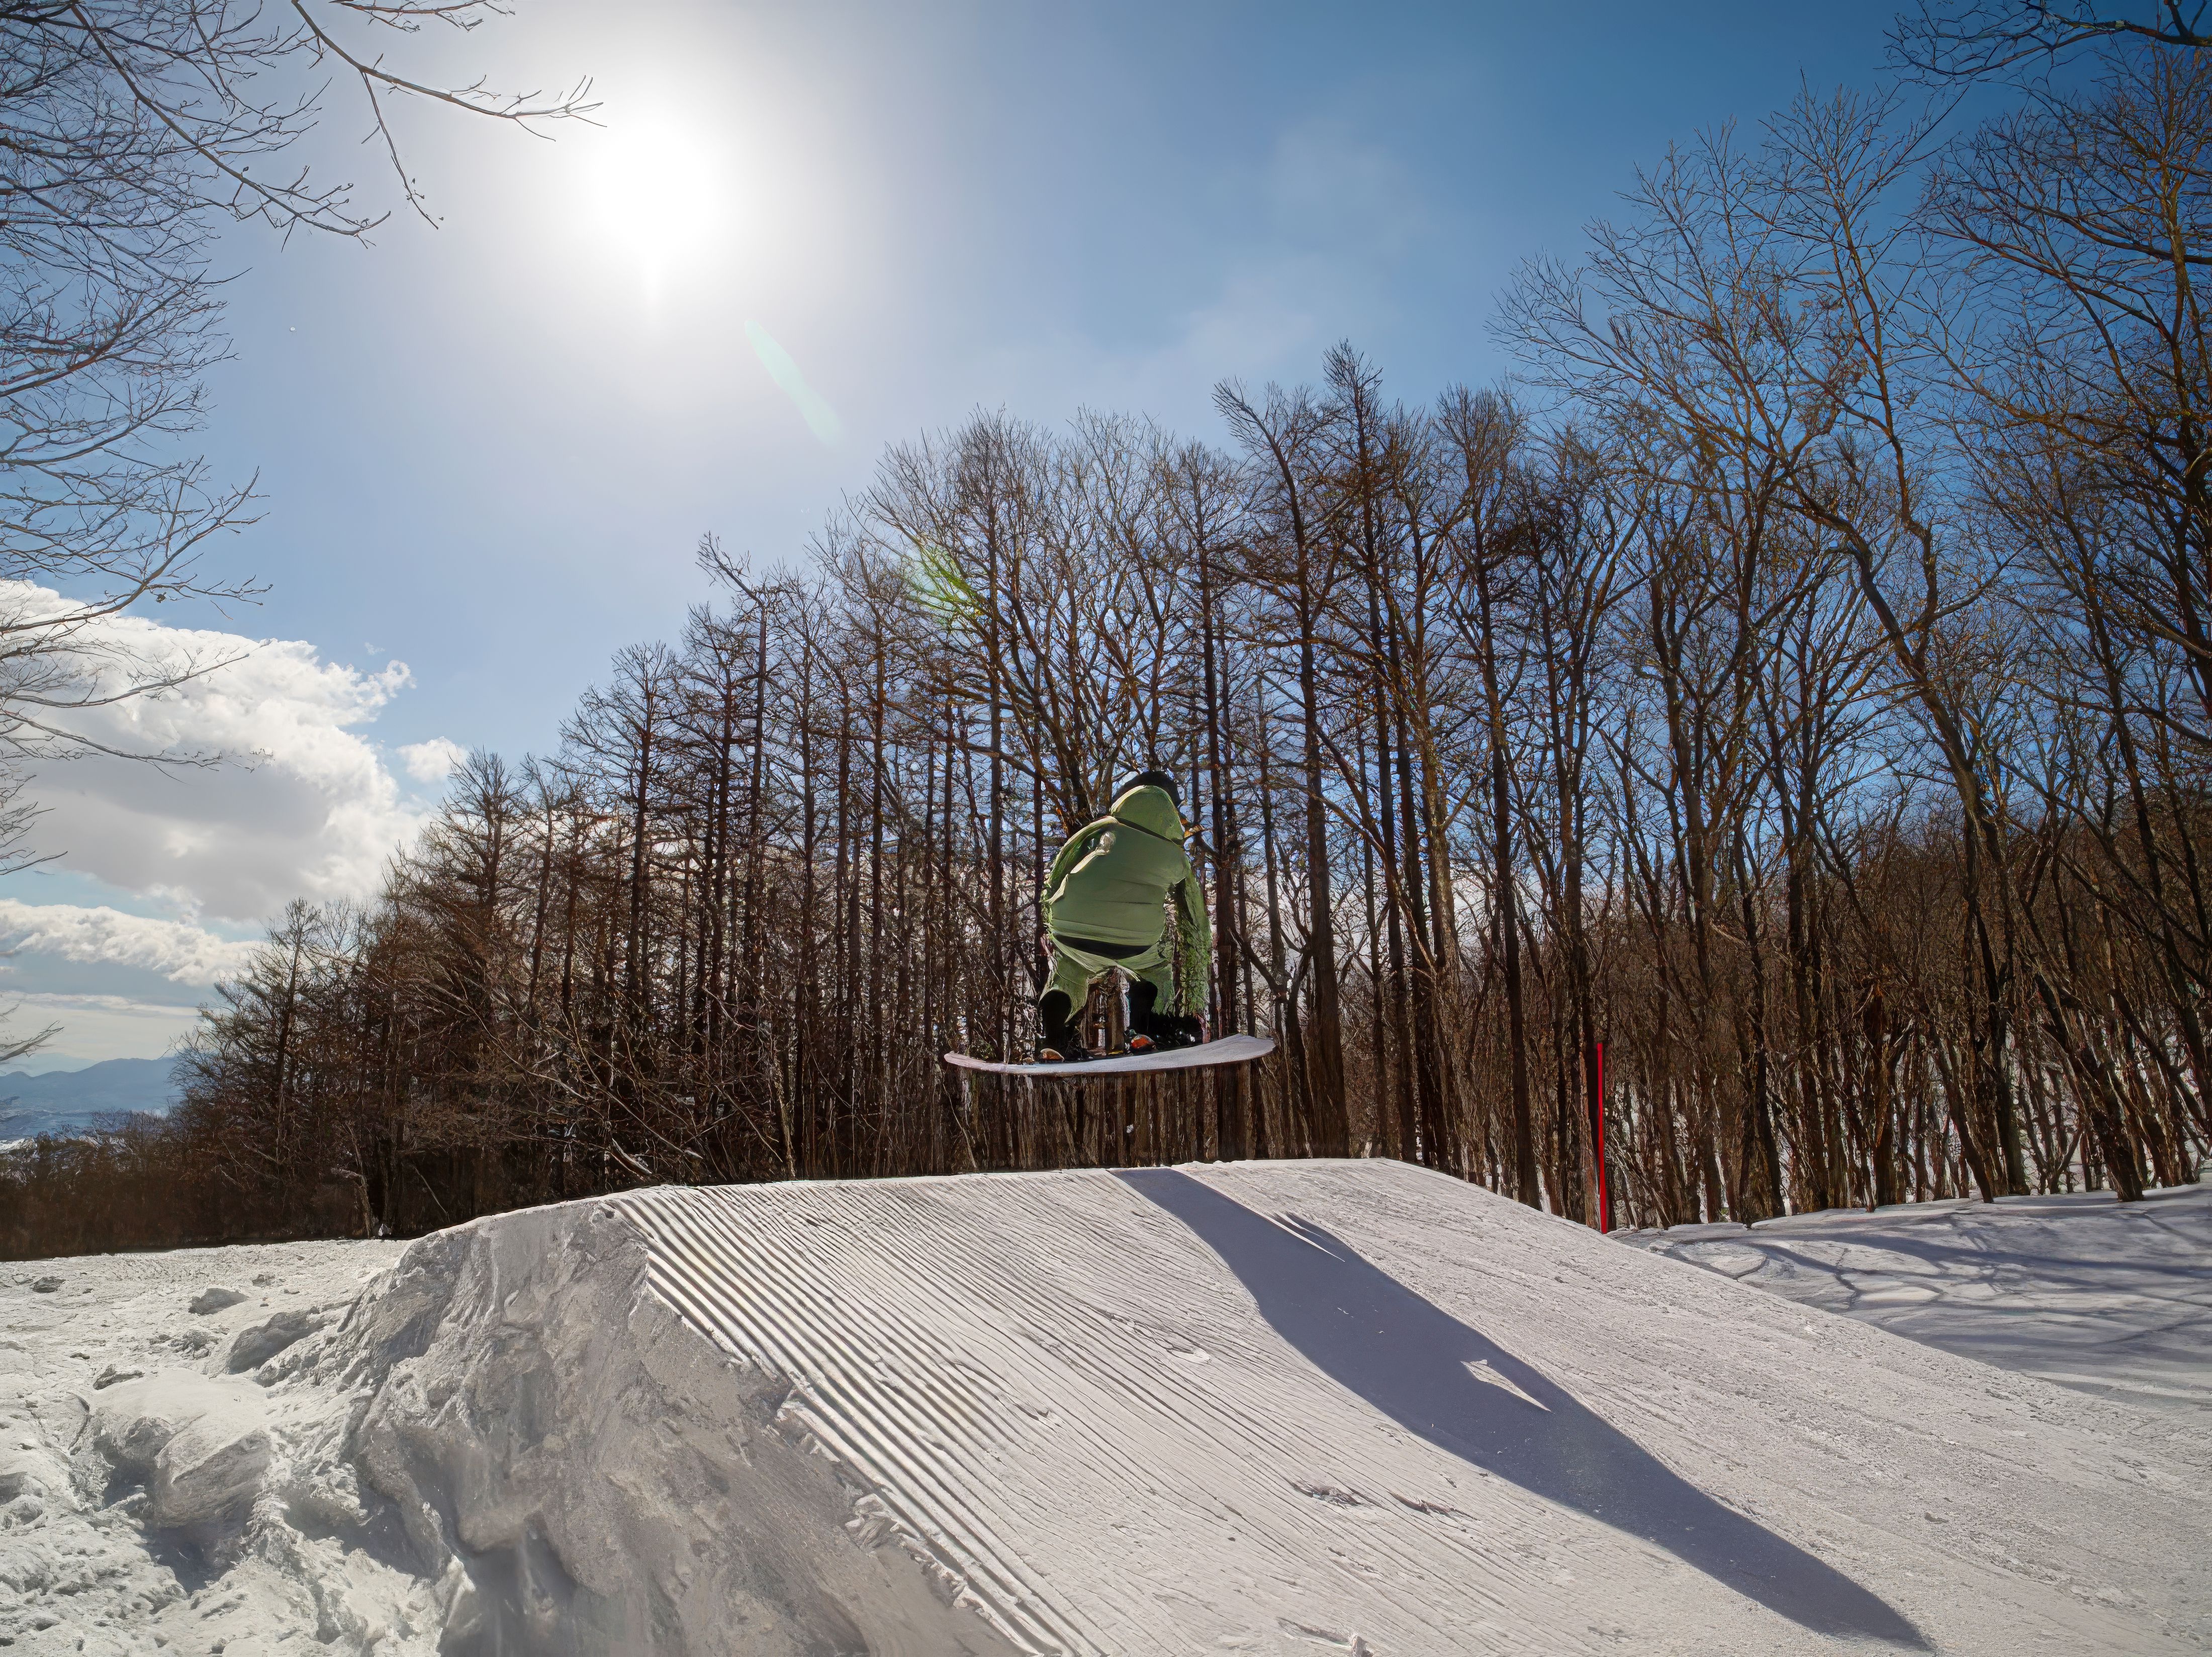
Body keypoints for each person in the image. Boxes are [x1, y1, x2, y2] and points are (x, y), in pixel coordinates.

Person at [1037, 768, 1212, 1062]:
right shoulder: (1175, 855)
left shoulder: (1103, 829)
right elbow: (1195, 918)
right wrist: (1195, 979)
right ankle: (1147, 1032)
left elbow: (1060, 865)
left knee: (1069, 972)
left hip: (1071, 923)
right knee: (1155, 970)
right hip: (1136, 936)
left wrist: (1050, 915)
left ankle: (1054, 1038)